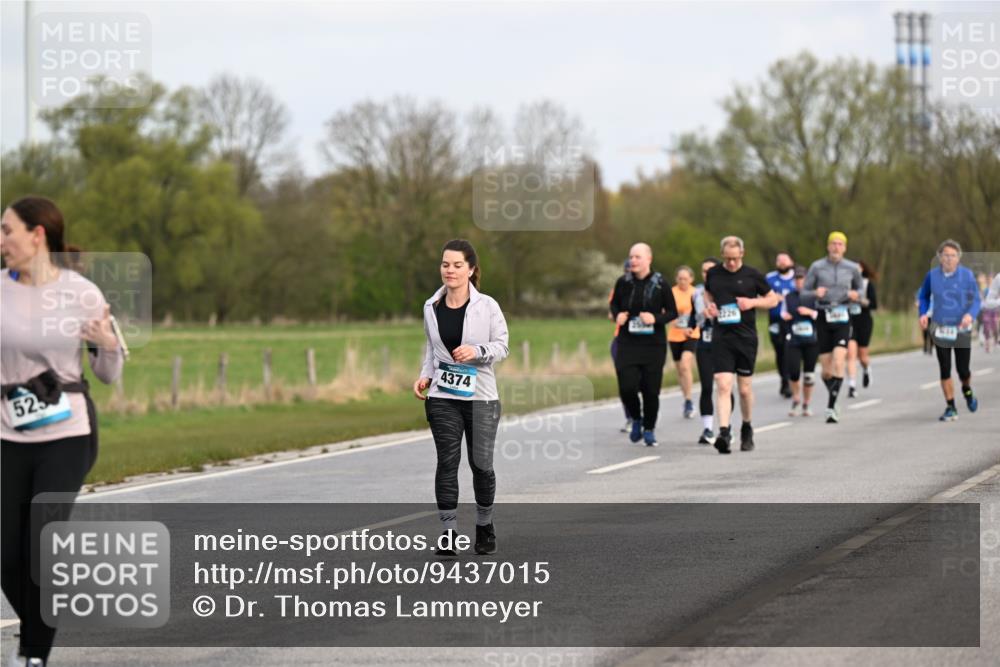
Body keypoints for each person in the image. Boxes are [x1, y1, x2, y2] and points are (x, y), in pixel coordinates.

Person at [1, 196, 125, 667]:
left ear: (38, 236)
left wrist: (108, 344)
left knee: (40, 543)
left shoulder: (82, 293)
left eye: (7, 230)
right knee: (6, 555)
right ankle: (34, 633)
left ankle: (34, 655)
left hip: (66, 432)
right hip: (7, 432)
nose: (0, 241)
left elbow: (109, 373)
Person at [413, 239, 509, 556]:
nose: (450, 270)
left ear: (471, 269)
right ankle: (449, 532)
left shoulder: (487, 306)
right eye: (445, 264)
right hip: (443, 394)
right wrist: (426, 374)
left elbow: (502, 346)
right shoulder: (431, 306)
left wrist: (477, 352)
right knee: (447, 462)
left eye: (456, 265)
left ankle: (484, 526)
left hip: (481, 396)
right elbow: (433, 349)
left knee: (481, 465)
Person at [703, 236, 779, 454]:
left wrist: (752, 302)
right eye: (727, 259)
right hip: (722, 337)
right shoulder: (714, 273)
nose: (732, 263)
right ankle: (724, 433)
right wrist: (710, 307)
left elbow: (773, 299)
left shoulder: (753, 275)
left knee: (744, 389)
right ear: (722, 256)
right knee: (723, 383)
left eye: (735, 259)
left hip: (745, 338)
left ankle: (746, 426)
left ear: (742, 255)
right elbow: (708, 293)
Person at [609, 243, 678, 447]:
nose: (633, 261)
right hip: (627, 343)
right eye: (631, 257)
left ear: (649, 259)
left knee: (650, 390)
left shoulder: (660, 284)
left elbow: (672, 312)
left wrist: (655, 318)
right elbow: (614, 305)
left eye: (638, 257)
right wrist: (617, 315)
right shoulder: (623, 282)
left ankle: (649, 428)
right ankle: (636, 419)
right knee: (627, 387)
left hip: (652, 345)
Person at [801, 231, 863, 424]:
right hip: (823, 316)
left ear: (845, 247)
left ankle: (831, 406)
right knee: (826, 370)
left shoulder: (852, 268)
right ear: (828, 246)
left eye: (840, 244)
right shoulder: (817, 267)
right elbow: (803, 293)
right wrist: (814, 293)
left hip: (843, 315)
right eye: (833, 244)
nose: (836, 247)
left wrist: (855, 295)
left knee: (839, 359)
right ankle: (834, 393)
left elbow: (861, 289)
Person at [918, 240, 981, 421]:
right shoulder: (932, 276)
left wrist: (970, 315)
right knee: (945, 368)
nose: (949, 259)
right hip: (940, 328)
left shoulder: (967, 276)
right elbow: (923, 296)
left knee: (963, 371)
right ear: (939, 257)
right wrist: (923, 313)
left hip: (961, 329)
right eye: (945, 255)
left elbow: (976, 300)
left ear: (959, 258)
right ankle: (951, 406)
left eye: (953, 255)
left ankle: (967, 390)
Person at [782, 266, 820, 417]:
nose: (799, 282)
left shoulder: (814, 296)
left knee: (809, 375)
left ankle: (807, 403)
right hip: (794, 339)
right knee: (794, 372)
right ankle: (796, 398)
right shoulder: (789, 296)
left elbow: (821, 315)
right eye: (796, 279)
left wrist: (810, 312)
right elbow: (782, 312)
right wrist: (785, 316)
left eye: (801, 279)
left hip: (812, 340)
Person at [693, 257, 719, 444]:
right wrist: (700, 317)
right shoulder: (697, 293)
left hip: (725, 343)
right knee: (707, 386)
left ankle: (726, 426)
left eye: (710, 270)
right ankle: (708, 429)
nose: (706, 274)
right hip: (704, 343)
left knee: (724, 386)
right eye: (703, 271)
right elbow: (692, 319)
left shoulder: (727, 288)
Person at [668, 266, 700, 419]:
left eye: (685, 278)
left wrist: (691, 318)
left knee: (685, 365)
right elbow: (666, 312)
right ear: (676, 279)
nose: (682, 281)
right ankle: (686, 397)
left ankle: (689, 401)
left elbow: (700, 312)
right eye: (680, 278)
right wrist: (672, 318)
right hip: (674, 335)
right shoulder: (671, 293)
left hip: (691, 333)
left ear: (691, 279)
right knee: (680, 370)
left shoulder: (695, 293)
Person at [765, 252, 796, 398]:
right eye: (779, 261)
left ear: (791, 262)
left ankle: (790, 380)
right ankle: (784, 379)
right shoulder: (769, 278)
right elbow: (759, 296)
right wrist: (772, 297)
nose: (782, 263)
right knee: (779, 351)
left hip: (793, 320)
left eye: (784, 260)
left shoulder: (798, 278)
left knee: (789, 349)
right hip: (775, 320)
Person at [846, 260, 879, 396]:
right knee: (851, 353)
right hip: (850, 321)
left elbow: (874, 304)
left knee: (863, 355)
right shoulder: (846, 285)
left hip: (864, 321)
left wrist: (860, 300)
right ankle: (852, 385)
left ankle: (866, 369)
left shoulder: (867, 284)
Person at [609, 259, 632, 432]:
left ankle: (643, 412)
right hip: (621, 339)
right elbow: (612, 313)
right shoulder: (618, 288)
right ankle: (630, 417)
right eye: (626, 271)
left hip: (643, 341)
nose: (629, 273)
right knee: (624, 381)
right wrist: (618, 315)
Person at [981, 272, 1000, 354]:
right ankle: (987, 343)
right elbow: (982, 298)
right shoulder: (985, 289)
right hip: (986, 310)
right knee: (987, 327)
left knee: (995, 326)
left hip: (995, 310)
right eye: (989, 279)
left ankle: (996, 340)